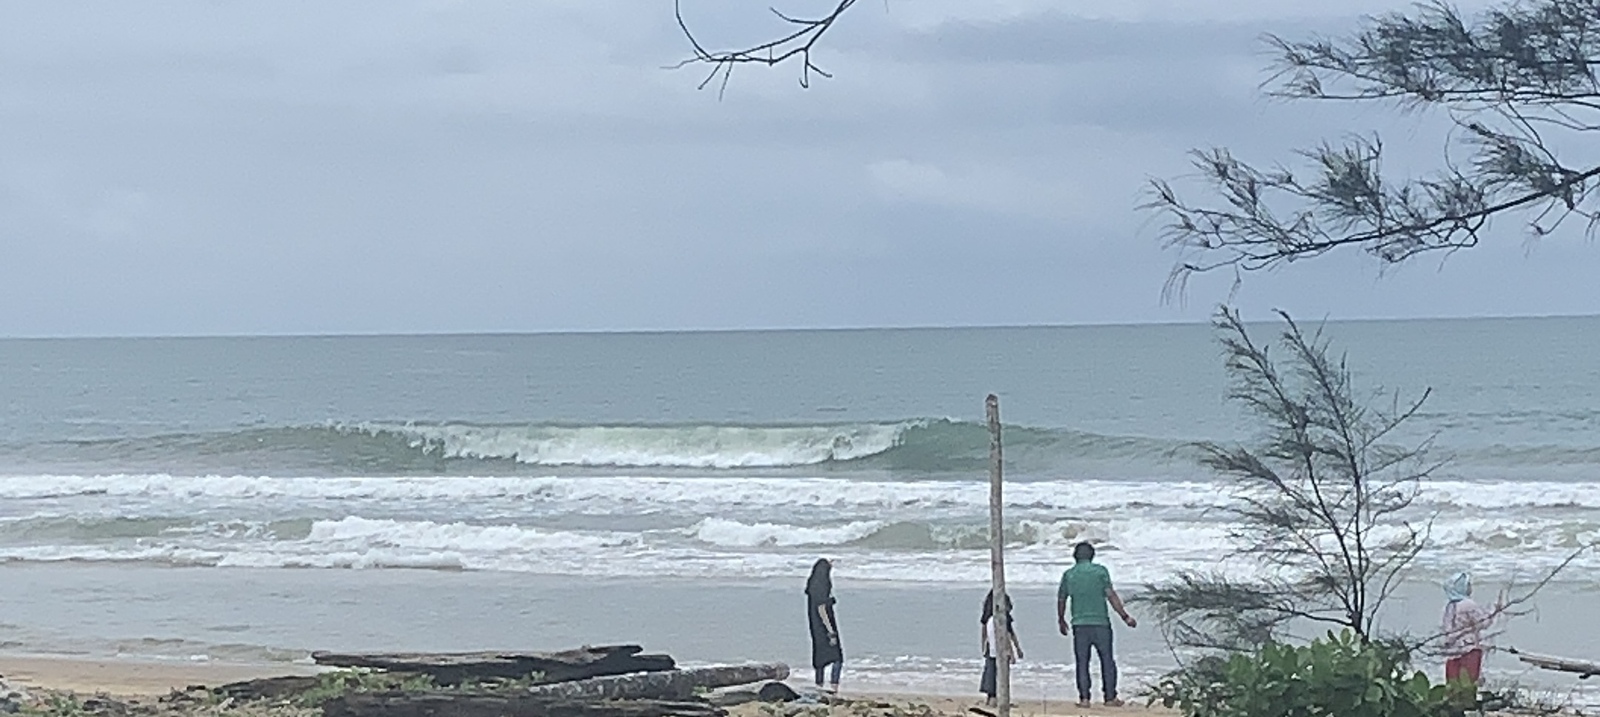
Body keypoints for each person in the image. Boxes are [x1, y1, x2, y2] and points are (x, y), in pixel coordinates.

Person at [1057, 541, 1136, 708]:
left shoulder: (1069, 574)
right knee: (1107, 660)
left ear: (1075, 556)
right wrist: (1125, 616)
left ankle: (1084, 698)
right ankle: (1110, 697)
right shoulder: (1100, 572)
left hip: (1079, 624)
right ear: (1092, 556)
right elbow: (1111, 595)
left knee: (1082, 662)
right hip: (1101, 623)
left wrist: (1061, 619)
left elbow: (1062, 599)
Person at [1442, 572, 1494, 687]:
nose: (1471, 588)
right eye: (1468, 585)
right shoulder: (1468, 604)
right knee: (1468, 683)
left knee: (1453, 683)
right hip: (1469, 648)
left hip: (1452, 651)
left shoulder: (1450, 606)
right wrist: (1492, 613)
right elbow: (1484, 623)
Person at [980, 590, 1024, 706]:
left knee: (990, 672)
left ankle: (991, 698)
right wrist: (1015, 651)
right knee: (1001, 674)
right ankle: (999, 699)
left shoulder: (988, 617)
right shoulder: (1003, 618)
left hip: (990, 648)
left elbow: (984, 632)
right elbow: (1008, 635)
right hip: (1001, 650)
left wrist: (983, 645)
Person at [806, 558, 843, 693]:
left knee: (819, 658)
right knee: (837, 658)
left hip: (815, 628)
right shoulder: (822, 586)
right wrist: (830, 630)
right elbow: (822, 609)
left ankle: (819, 685)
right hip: (825, 627)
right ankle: (834, 687)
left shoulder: (813, 587)